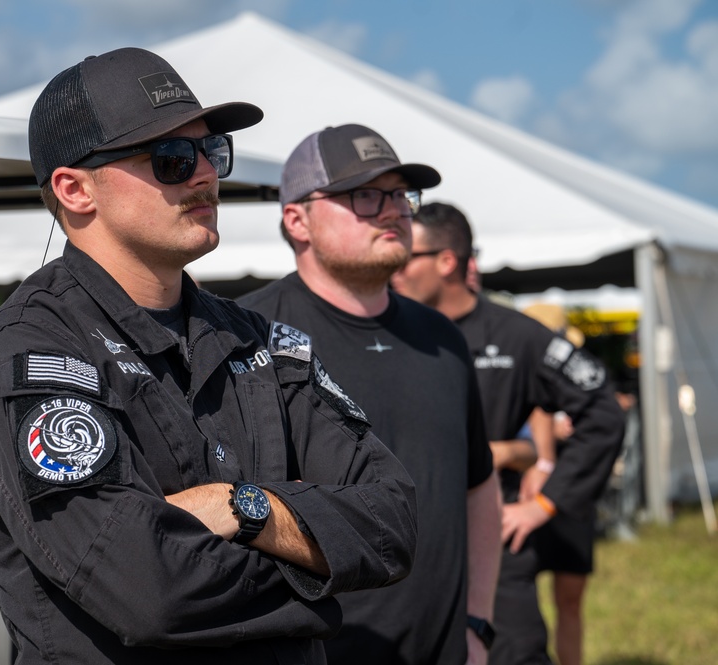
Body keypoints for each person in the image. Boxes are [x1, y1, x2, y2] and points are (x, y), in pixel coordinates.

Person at [0, 48, 417, 664]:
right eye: (173, 160)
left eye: (213, 152)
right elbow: (148, 588)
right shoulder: (20, 355)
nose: (206, 175)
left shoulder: (262, 343)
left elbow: (392, 523)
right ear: (75, 189)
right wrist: (321, 590)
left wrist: (243, 506)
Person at [239, 123, 502, 664]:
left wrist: (477, 623)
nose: (394, 211)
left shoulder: (443, 338)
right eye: (365, 195)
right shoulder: (247, 336)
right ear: (297, 219)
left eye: (402, 195)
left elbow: (479, 485)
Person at [392, 202, 625, 665]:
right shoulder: (383, 330)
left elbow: (602, 411)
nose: (393, 267)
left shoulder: (517, 335)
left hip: (493, 540)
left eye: (406, 256)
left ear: (446, 262)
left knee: (514, 653)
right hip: (406, 541)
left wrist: (545, 501)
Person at [519, 303, 598, 665]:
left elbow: (600, 422)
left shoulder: (578, 375)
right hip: (523, 491)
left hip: (570, 495)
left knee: (570, 600)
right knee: (516, 601)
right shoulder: (513, 372)